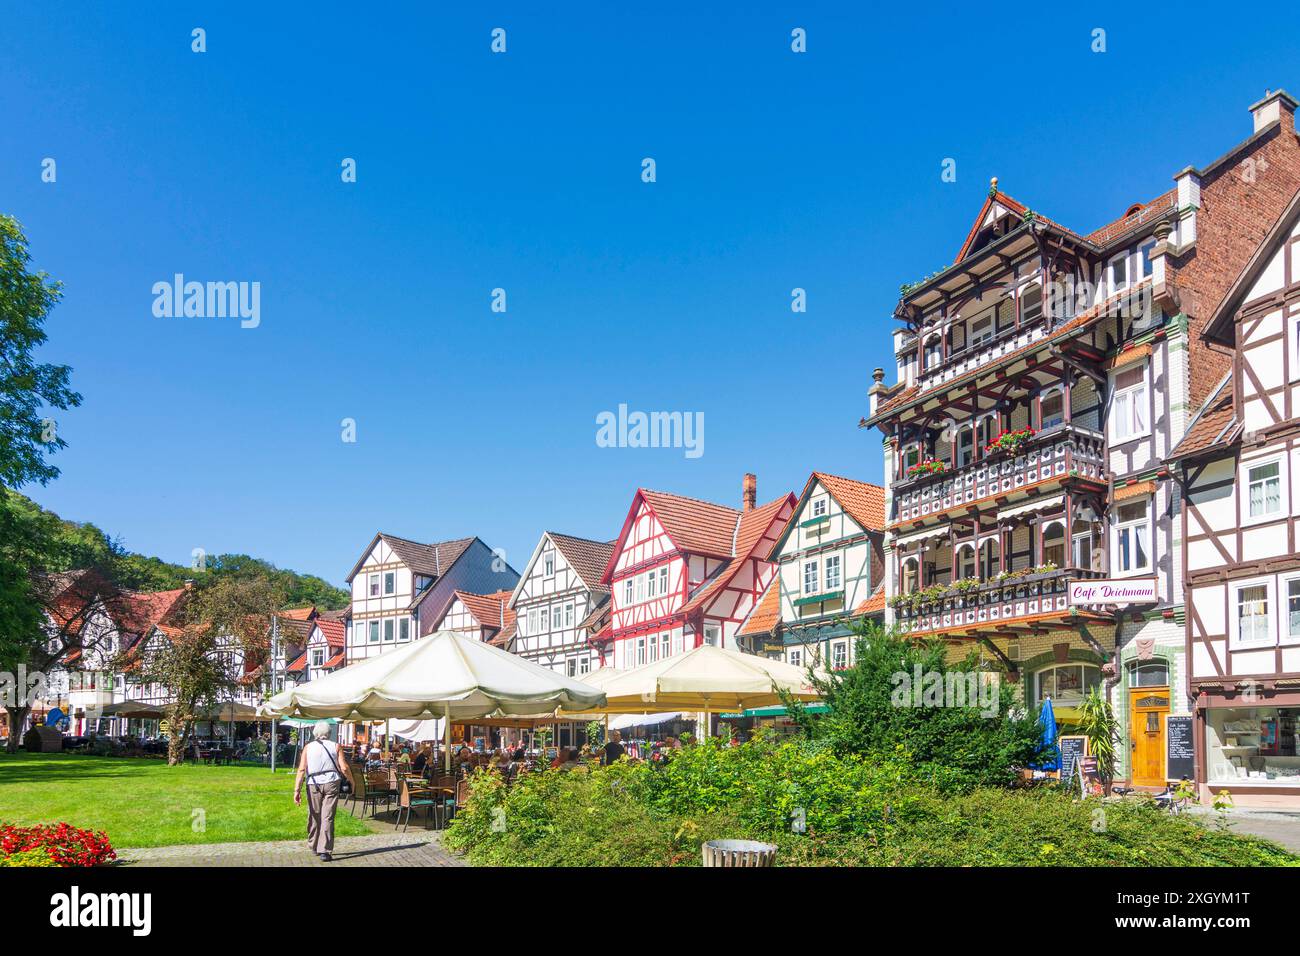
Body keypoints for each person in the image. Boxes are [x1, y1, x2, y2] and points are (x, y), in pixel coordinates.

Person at [294, 722, 354, 863]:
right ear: (329, 733)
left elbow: (302, 769)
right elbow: (344, 767)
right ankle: (325, 850)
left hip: (313, 783)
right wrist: (352, 781)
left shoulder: (308, 747)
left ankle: (314, 845)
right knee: (327, 816)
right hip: (332, 782)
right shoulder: (336, 746)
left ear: (315, 733)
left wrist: (296, 790)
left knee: (314, 813)